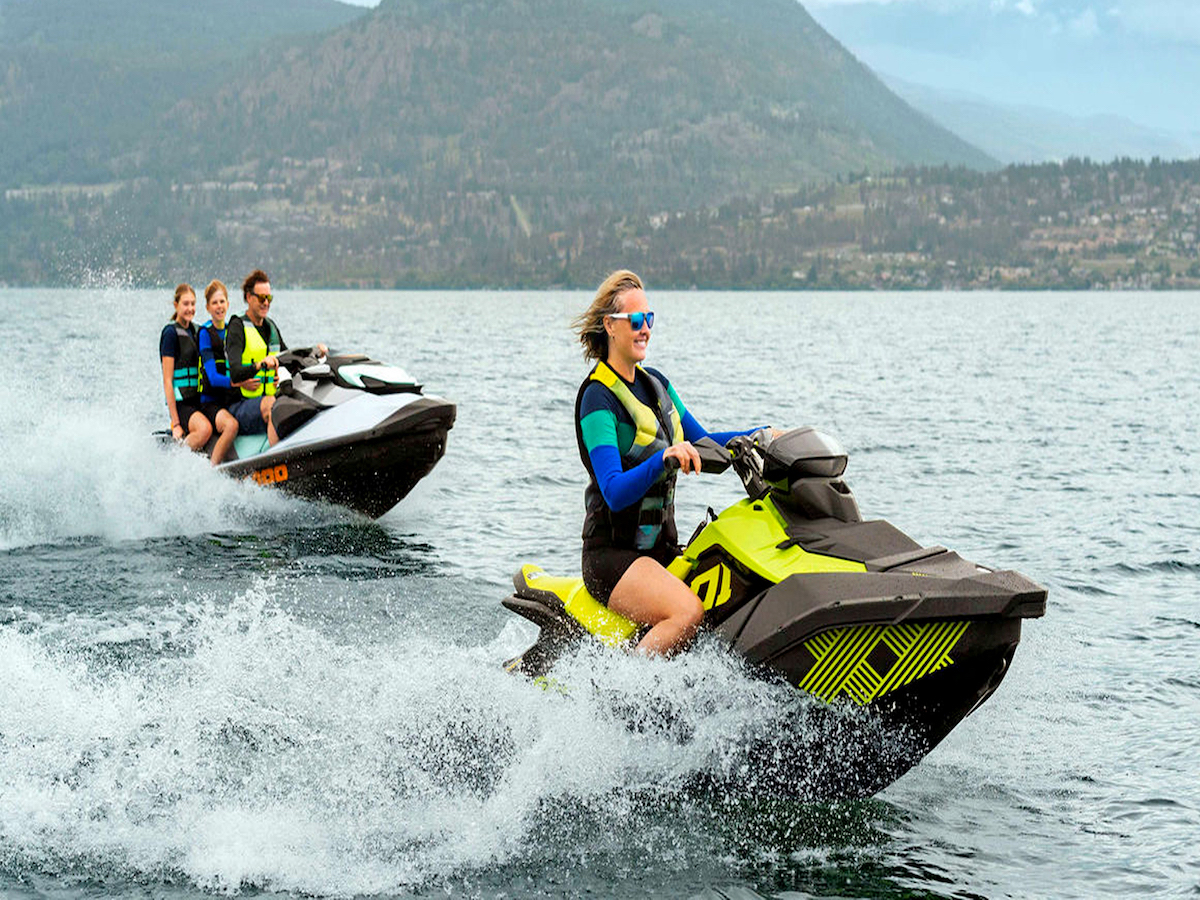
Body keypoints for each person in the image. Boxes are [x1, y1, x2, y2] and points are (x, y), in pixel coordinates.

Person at [572, 270, 762, 657]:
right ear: (610, 326)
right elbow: (613, 490)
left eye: (649, 318)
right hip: (613, 557)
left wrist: (761, 435)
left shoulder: (656, 384)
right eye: (635, 320)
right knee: (687, 612)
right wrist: (664, 459)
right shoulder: (597, 399)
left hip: (660, 551)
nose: (645, 329)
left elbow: (704, 442)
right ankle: (627, 689)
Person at [224, 269, 326, 446]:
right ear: (249, 297)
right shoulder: (237, 327)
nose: (266, 303)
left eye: (269, 298)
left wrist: (315, 352)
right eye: (261, 298)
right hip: (240, 406)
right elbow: (235, 372)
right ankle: (278, 457)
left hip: (268, 400)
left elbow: (288, 360)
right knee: (275, 406)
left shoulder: (271, 327)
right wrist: (259, 365)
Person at [197, 280, 250, 466]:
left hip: (231, 399)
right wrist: (237, 382)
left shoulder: (232, 331)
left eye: (222, 302)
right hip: (211, 402)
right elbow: (212, 377)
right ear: (207, 307)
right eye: (214, 303)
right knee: (231, 425)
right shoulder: (205, 334)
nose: (219, 306)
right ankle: (213, 469)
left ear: (228, 304)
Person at [159, 283, 213, 452]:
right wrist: (176, 423)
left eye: (193, 304)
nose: (190, 308)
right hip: (181, 404)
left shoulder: (198, 331)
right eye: (186, 304)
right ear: (176, 305)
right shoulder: (170, 334)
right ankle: (178, 456)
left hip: (199, 400)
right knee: (204, 429)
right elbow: (167, 381)